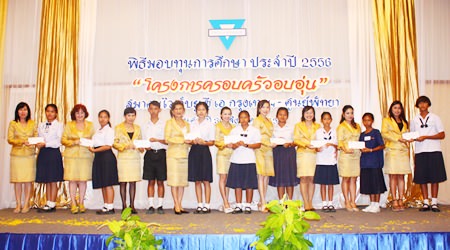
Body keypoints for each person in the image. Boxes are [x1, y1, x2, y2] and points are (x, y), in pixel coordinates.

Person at [411, 96, 446, 212]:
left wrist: (427, 137)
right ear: (417, 105)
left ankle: (434, 202)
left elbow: (442, 135)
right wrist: (410, 139)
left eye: (424, 103)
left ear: (428, 104)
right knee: (422, 178)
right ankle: (426, 202)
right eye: (420, 103)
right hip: (420, 151)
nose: (422, 105)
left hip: (434, 150)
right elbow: (412, 136)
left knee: (435, 178)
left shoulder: (435, 118)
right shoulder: (414, 120)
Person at [62, 104, 95, 214]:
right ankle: (73, 203)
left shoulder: (90, 125)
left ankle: (81, 202)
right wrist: (73, 142)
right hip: (71, 156)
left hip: (85, 156)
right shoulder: (69, 125)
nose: (80, 115)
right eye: (77, 113)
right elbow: (63, 140)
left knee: (82, 180)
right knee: (72, 180)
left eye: (82, 112)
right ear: (74, 114)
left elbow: (94, 139)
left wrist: (92, 144)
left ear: (85, 114)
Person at [226, 110, 261, 214]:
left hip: (249, 160)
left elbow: (258, 144)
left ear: (249, 118)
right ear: (238, 119)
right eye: (241, 117)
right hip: (236, 159)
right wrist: (236, 144)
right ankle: (238, 205)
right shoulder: (234, 130)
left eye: (245, 117)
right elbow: (231, 145)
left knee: (249, 184)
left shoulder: (254, 130)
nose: (243, 119)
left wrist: (246, 145)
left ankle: (248, 205)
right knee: (238, 184)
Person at [7, 102, 37, 213]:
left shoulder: (32, 123)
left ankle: (26, 204)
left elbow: (36, 136)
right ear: (17, 111)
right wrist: (21, 141)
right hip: (17, 155)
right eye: (20, 110)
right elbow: (10, 139)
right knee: (18, 181)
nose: (23, 112)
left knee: (28, 181)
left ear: (28, 111)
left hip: (29, 155)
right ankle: (18, 204)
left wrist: (32, 142)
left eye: (25, 109)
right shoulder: (13, 123)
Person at [381, 101, 411, 211]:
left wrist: (409, 138)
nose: (397, 110)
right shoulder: (386, 120)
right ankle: (394, 199)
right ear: (391, 109)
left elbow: (407, 134)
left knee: (401, 176)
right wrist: (398, 138)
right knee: (393, 176)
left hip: (403, 151)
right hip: (392, 150)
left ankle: (401, 199)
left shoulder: (405, 121)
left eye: (399, 108)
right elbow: (384, 133)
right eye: (395, 108)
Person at [113, 107, 143, 214]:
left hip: (134, 158)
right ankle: (124, 205)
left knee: (133, 182)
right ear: (125, 116)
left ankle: (132, 205)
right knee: (123, 183)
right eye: (129, 115)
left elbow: (140, 142)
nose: (131, 118)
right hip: (123, 159)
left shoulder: (138, 128)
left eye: (133, 115)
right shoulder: (118, 127)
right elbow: (115, 143)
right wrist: (125, 146)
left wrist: (141, 147)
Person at [188, 102, 215, 214]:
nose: (201, 112)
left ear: (207, 112)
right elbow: (188, 139)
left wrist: (204, 142)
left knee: (206, 180)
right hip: (194, 151)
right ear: (196, 111)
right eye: (199, 110)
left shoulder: (210, 125)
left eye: (203, 109)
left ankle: (207, 205)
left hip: (204, 152)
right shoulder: (192, 124)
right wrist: (193, 141)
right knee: (197, 180)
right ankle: (199, 204)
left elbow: (212, 142)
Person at [89, 110, 118, 215]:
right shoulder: (98, 130)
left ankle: (110, 206)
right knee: (102, 182)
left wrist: (94, 150)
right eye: (100, 117)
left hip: (107, 157)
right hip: (99, 157)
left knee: (108, 183)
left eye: (105, 117)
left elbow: (108, 145)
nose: (102, 119)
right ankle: (106, 205)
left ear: (108, 119)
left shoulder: (109, 130)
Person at [36, 104, 64, 213]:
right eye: (48, 111)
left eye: (52, 111)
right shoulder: (41, 125)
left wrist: (45, 144)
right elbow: (39, 138)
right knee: (47, 179)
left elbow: (59, 140)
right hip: (43, 153)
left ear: (56, 113)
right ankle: (48, 202)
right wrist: (36, 143)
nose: (49, 113)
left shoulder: (59, 125)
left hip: (53, 152)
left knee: (53, 179)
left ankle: (52, 203)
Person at [165, 100, 191, 215]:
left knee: (181, 182)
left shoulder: (187, 124)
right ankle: (175, 204)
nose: (178, 111)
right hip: (173, 155)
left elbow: (189, 140)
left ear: (184, 110)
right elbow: (167, 139)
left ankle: (180, 204)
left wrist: (190, 141)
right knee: (174, 181)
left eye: (180, 109)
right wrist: (182, 140)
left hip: (184, 155)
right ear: (172, 111)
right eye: (176, 109)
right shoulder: (169, 123)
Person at [142, 101, 168, 215]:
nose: (153, 111)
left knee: (161, 181)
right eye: (151, 109)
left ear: (159, 110)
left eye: (156, 109)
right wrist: (144, 146)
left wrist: (157, 140)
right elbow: (142, 141)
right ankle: (151, 205)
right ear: (148, 110)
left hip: (161, 153)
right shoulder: (144, 125)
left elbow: (167, 141)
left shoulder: (164, 124)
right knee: (150, 181)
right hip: (149, 154)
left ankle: (160, 205)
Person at [268, 107, 299, 200]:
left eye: (284, 115)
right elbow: (268, 140)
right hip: (277, 153)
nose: (282, 116)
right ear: (277, 116)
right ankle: (281, 203)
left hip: (289, 152)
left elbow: (297, 141)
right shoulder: (272, 127)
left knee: (290, 178)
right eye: (280, 114)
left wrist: (289, 144)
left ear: (287, 116)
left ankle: (290, 202)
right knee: (280, 178)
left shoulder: (292, 127)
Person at [294, 106, 320, 211]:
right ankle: (305, 202)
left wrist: (318, 146)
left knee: (312, 178)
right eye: (307, 113)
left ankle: (310, 201)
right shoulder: (298, 126)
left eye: (311, 113)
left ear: (314, 114)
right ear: (303, 114)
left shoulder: (318, 126)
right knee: (304, 178)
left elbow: (320, 139)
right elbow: (296, 139)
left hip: (314, 154)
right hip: (303, 154)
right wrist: (306, 145)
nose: (309, 115)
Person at [359, 113, 386, 213]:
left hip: (375, 162)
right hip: (365, 163)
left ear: (372, 121)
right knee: (369, 184)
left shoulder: (376, 132)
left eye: (368, 120)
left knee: (376, 184)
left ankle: (377, 204)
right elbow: (360, 146)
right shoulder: (362, 135)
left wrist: (371, 150)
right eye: (365, 120)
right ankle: (372, 203)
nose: (367, 122)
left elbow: (382, 145)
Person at [337, 105, 361, 212]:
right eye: (347, 113)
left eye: (351, 113)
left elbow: (360, 139)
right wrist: (345, 149)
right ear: (343, 114)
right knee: (346, 178)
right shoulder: (341, 127)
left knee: (354, 179)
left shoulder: (357, 126)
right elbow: (340, 141)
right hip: (346, 155)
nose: (350, 115)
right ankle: (346, 201)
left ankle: (353, 201)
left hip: (356, 155)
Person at [313, 112, 339, 212]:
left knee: (331, 183)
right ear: (321, 120)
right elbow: (315, 146)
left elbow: (338, 145)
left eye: (328, 119)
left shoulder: (334, 131)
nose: (327, 121)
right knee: (323, 183)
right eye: (324, 119)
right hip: (321, 160)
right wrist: (317, 149)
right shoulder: (318, 132)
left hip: (331, 160)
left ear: (331, 120)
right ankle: (324, 203)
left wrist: (331, 145)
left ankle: (330, 203)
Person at [252, 100, 274, 212]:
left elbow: (271, 135)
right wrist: (268, 143)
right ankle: (263, 202)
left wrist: (273, 142)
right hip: (260, 149)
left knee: (267, 176)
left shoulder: (269, 121)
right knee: (261, 175)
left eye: (267, 107)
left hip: (269, 149)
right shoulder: (257, 121)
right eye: (263, 107)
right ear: (259, 109)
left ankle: (262, 201)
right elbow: (256, 137)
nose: (266, 109)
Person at [215, 107, 235, 214]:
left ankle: (225, 202)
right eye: (225, 114)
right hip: (222, 155)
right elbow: (216, 142)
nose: (227, 116)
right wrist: (225, 144)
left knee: (228, 179)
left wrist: (234, 144)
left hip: (231, 155)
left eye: (229, 114)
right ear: (221, 115)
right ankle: (226, 202)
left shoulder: (233, 127)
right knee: (223, 177)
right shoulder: (217, 127)